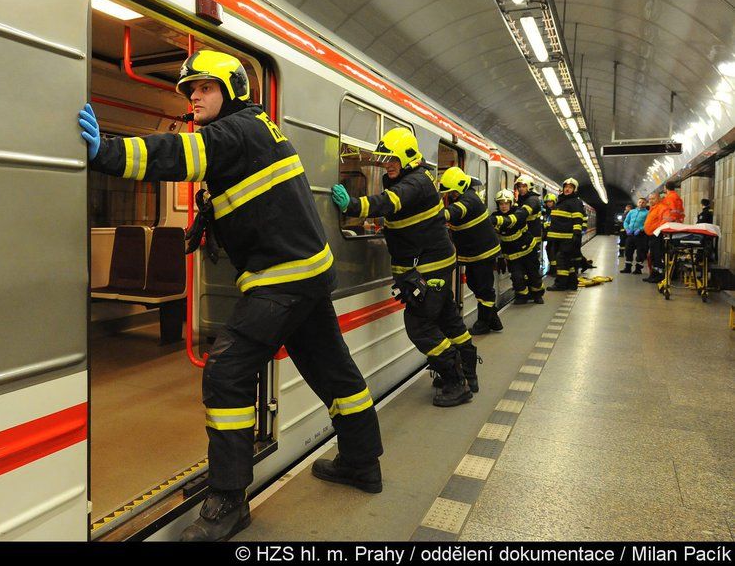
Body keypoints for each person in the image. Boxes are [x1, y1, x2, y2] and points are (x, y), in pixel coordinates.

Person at [77, 50, 383, 541]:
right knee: (334, 371)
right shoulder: (256, 131)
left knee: (227, 372)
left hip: (282, 277)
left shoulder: (236, 132)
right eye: (188, 89)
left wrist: (107, 152)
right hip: (306, 273)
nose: (193, 96)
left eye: (203, 87)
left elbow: (174, 156)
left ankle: (228, 497)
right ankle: (362, 461)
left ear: (233, 90)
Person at [331, 128, 477, 403]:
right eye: (386, 161)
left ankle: (457, 382)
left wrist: (352, 205)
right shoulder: (414, 178)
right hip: (433, 262)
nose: (388, 166)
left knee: (419, 325)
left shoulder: (416, 182)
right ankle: (468, 373)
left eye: (393, 161)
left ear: (408, 159)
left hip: (429, 266)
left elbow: (389, 202)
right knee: (447, 318)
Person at [439, 166, 503, 335]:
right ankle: (493, 318)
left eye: (452, 192)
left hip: (483, 252)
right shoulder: (463, 196)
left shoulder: (469, 199)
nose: (451, 195)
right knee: (475, 283)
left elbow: (456, 211)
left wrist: (433, 215)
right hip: (473, 253)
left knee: (484, 287)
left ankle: (484, 322)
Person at [490, 189, 544, 304]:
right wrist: (499, 257)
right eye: (501, 203)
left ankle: (537, 295)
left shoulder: (518, 213)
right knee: (517, 277)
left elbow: (509, 221)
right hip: (512, 255)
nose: (503, 206)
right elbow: (496, 238)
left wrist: (494, 220)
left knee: (533, 275)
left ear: (511, 203)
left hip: (528, 251)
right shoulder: (495, 216)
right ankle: (522, 296)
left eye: (506, 203)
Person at [546, 178, 586, 291]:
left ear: (574, 190)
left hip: (567, 238)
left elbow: (578, 219)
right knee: (568, 261)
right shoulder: (561, 201)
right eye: (566, 187)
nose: (567, 189)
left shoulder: (575, 202)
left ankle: (560, 284)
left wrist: (576, 235)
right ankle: (572, 283)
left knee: (561, 260)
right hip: (558, 238)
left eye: (570, 187)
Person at [514, 175, 546, 301]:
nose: (521, 189)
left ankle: (537, 295)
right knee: (521, 271)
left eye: (523, 186)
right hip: (521, 241)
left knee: (532, 270)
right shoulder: (521, 200)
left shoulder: (533, 200)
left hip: (531, 242)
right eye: (519, 187)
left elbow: (523, 213)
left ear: (530, 187)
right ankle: (523, 296)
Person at [643, 192, 668, 283]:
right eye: (649, 199)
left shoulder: (663, 208)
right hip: (651, 236)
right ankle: (653, 274)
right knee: (652, 256)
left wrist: (656, 231)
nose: (651, 200)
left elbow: (664, 222)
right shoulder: (653, 208)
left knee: (658, 256)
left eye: (653, 198)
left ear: (659, 198)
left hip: (658, 235)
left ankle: (660, 276)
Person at [621, 197, 648, 274]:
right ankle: (627, 268)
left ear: (646, 204)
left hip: (641, 235)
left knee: (640, 252)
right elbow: (626, 221)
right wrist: (627, 229)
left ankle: (638, 269)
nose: (641, 203)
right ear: (637, 203)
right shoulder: (632, 212)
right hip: (630, 235)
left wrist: (641, 229)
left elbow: (647, 224)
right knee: (628, 251)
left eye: (643, 202)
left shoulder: (647, 213)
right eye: (639, 202)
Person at [542, 192, 558, 276]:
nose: (548, 203)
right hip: (550, 237)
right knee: (549, 251)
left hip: (554, 237)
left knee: (553, 253)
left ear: (554, 202)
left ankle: (554, 270)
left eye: (550, 202)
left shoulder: (556, 211)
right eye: (547, 202)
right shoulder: (549, 212)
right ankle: (552, 269)